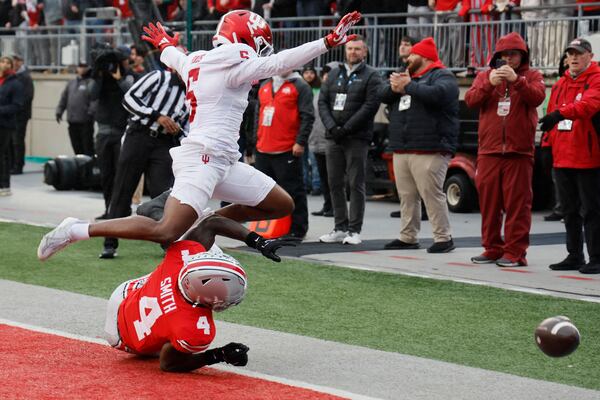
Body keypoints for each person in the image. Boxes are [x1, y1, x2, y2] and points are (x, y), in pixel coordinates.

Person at [37, 10, 363, 261]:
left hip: (223, 160)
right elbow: (279, 62)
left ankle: (207, 221)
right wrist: (327, 42)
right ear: (243, 39)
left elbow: (175, 57)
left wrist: (165, 43)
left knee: (281, 203)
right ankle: (76, 229)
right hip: (203, 158)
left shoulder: (199, 59)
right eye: (257, 43)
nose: (260, 51)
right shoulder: (234, 66)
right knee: (166, 229)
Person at [104, 212, 293, 371]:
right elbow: (168, 363)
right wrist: (218, 355)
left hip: (124, 294)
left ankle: (162, 213)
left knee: (177, 257)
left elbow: (212, 223)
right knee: (176, 335)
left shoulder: (181, 258)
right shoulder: (195, 329)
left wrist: (257, 241)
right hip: (124, 341)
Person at [465, 32, 545, 267]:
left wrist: (517, 81)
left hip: (518, 152)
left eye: (514, 54)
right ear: (497, 57)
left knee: (517, 205)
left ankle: (515, 252)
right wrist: (490, 84)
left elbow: (538, 97)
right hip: (489, 151)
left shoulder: (532, 76)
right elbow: (470, 100)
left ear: (523, 56)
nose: (509, 59)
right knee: (489, 204)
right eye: (504, 55)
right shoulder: (485, 76)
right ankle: (491, 248)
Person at [379, 37, 458, 253]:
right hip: (403, 146)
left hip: (430, 146)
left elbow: (440, 95)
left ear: (423, 57)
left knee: (431, 194)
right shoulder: (407, 76)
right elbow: (382, 95)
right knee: (406, 196)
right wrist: (396, 87)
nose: (408, 58)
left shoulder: (442, 75)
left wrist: (409, 86)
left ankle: (443, 237)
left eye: (412, 55)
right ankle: (408, 236)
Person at [100, 67, 189, 259]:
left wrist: (180, 132)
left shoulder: (193, 91)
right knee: (123, 190)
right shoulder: (159, 77)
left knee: (163, 194)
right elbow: (130, 98)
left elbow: (190, 123)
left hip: (165, 142)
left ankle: (168, 242)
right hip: (139, 136)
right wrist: (157, 116)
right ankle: (109, 242)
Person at [540, 38, 600, 274]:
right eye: (570, 54)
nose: (574, 58)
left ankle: (596, 256)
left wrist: (559, 113)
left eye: (579, 53)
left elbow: (589, 105)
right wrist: (547, 146)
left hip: (589, 158)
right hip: (563, 157)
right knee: (569, 211)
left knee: (593, 210)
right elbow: (549, 120)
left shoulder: (596, 79)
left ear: (590, 56)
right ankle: (574, 254)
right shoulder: (559, 84)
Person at [318, 35, 383, 245]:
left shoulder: (372, 75)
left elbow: (370, 106)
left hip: (356, 137)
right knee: (334, 182)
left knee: (356, 183)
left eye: (357, 49)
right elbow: (322, 102)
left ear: (364, 51)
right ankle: (339, 227)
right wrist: (332, 127)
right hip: (333, 137)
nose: (352, 52)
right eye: (349, 49)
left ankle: (354, 230)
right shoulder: (335, 73)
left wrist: (346, 128)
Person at [254, 69, 314, 241]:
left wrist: (300, 142)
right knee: (263, 192)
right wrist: (255, 142)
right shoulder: (265, 84)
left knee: (293, 190)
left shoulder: (301, 86)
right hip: (264, 147)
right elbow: (258, 114)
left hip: (287, 148)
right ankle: (266, 226)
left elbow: (307, 116)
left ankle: (298, 229)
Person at [90, 45, 137, 220]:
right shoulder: (100, 79)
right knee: (106, 174)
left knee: (121, 175)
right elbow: (92, 95)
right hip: (103, 133)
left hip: (122, 133)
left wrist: (119, 79)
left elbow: (132, 94)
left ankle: (121, 210)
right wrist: (99, 74)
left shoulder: (129, 77)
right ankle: (109, 208)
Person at [307, 64, 334, 218]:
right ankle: (327, 205)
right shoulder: (318, 93)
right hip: (316, 139)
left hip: (329, 139)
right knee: (324, 176)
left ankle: (334, 207)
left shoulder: (333, 93)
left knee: (332, 178)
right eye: (324, 74)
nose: (326, 77)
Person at [55, 62, 95, 157]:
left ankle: (88, 169)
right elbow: (64, 98)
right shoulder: (71, 83)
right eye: (80, 67)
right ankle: (79, 168)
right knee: (76, 147)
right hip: (72, 121)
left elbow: (94, 100)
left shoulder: (91, 83)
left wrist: (90, 113)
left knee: (87, 148)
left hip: (85, 122)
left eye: (84, 67)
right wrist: (59, 111)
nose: (82, 69)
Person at [0, 56, 24, 197]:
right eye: (2, 61)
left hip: (5, 124)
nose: (5, 64)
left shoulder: (15, 83)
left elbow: (17, 105)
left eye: (7, 62)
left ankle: (4, 185)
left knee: (2, 155)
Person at [10, 54, 33, 175]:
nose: (13, 63)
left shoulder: (25, 77)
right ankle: (11, 164)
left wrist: (15, 107)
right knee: (10, 141)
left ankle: (18, 165)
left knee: (17, 141)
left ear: (20, 62)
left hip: (20, 115)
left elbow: (28, 97)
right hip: (10, 114)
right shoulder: (12, 76)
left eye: (15, 61)